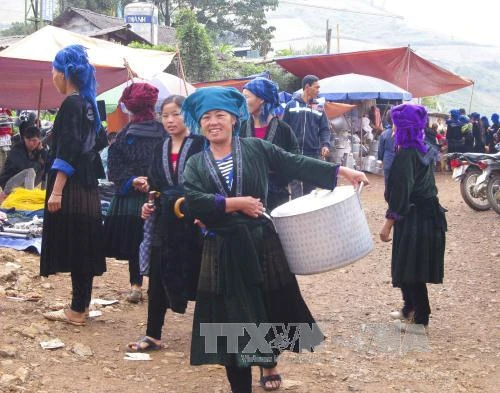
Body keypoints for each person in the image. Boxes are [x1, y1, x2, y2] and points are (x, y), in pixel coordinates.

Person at [181, 87, 369, 393]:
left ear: (233, 119)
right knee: (231, 323)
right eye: (206, 117)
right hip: (223, 248)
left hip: (260, 243)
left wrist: (342, 170)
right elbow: (193, 200)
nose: (213, 122)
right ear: (200, 124)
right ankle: (240, 386)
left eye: (220, 115)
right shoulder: (196, 164)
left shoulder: (256, 148)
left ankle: (269, 362)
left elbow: (294, 163)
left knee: (267, 308)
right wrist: (236, 203)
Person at [127, 95, 204, 352]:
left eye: (176, 114)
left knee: (202, 276)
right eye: (165, 115)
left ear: (189, 115)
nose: (170, 120)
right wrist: (149, 203)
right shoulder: (160, 147)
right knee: (158, 274)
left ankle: (207, 338)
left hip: (196, 222)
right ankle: (153, 334)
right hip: (165, 223)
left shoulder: (201, 145)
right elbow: (155, 185)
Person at [41, 45, 107, 326]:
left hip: (71, 189)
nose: (52, 76)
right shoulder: (89, 103)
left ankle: (77, 311)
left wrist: (57, 190)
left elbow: (68, 149)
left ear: (64, 73)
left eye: (53, 70)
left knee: (77, 246)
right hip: (88, 188)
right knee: (84, 244)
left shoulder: (71, 104)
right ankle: (81, 305)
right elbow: (98, 143)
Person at [379, 103, 447, 335]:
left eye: (395, 126)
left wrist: (388, 223)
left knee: (412, 267)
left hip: (416, 216)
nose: (393, 130)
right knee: (405, 263)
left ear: (403, 128)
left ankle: (421, 319)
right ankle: (409, 308)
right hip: (425, 215)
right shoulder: (424, 147)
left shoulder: (407, 154)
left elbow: (401, 194)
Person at [104, 83, 165, 303]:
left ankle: (136, 286)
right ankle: (155, 287)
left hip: (133, 197)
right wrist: (148, 180)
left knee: (134, 243)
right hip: (159, 195)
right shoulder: (164, 133)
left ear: (130, 107)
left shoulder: (122, 136)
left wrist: (133, 180)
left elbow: (115, 168)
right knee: (158, 240)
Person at [241, 77, 299, 210]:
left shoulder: (284, 129)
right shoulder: (242, 127)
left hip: (277, 196)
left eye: (247, 97)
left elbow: (294, 159)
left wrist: (277, 174)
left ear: (261, 99)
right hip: (247, 198)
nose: (244, 102)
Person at [283, 75, 331, 198]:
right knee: (295, 187)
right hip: (294, 153)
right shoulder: (290, 105)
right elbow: (283, 129)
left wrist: (325, 144)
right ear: (307, 87)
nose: (318, 90)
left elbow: (325, 129)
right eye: (316, 87)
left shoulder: (319, 107)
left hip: (312, 153)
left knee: (310, 190)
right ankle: (296, 215)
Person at [0, 124, 47, 198]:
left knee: (47, 168)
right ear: (24, 139)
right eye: (29, 140)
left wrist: (41, 150)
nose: (31, 144)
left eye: (34, 140)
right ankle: (28, 199)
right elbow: (24, 168)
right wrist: (39, 163)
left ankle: (45, 196)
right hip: (8, 184)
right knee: (30, 171)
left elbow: (50, 163)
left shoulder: (39, 149)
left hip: (25, 183)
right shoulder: (17, 149)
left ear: (39, 140)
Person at [378, 109, 395, 185]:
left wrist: (381, 159)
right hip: (399, 161)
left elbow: (381, 150)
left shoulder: (384, 134)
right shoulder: (402, 133)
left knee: (388, 183)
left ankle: (388, 196)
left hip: (388, 161)